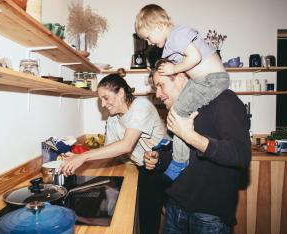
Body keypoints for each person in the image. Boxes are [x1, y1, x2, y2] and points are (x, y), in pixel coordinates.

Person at [144, 59, 251, 233]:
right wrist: (159, 159)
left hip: (209, 216)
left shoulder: (224, 100)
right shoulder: (177, 111)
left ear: (179, 77)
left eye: (161, 85)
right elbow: (178, 154)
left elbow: (241, 155)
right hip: (175, 206)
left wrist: (192, 137)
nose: (158, 94)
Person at [59, 73, 167, 234]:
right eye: (100, 100)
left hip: (165, 166)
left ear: (122, 93)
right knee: (147, 218)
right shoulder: (113, 118)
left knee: (163, 218)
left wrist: (83, 157)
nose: (103, 104)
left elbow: (126, 145)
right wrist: (78, 158)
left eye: (106, 98)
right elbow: (109, 151)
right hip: (145, 168)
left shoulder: (141, 106)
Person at [135, 4, 230, 181]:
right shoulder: (171, 44)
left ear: (158, 26)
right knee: (178, 113)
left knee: (178, 113)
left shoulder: (177, 35)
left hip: (213, 80)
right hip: (202, 81)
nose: (149, 43)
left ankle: (179, 161)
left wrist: (174, 68)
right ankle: (174, 151)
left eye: (148, 37)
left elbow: (196, 57)